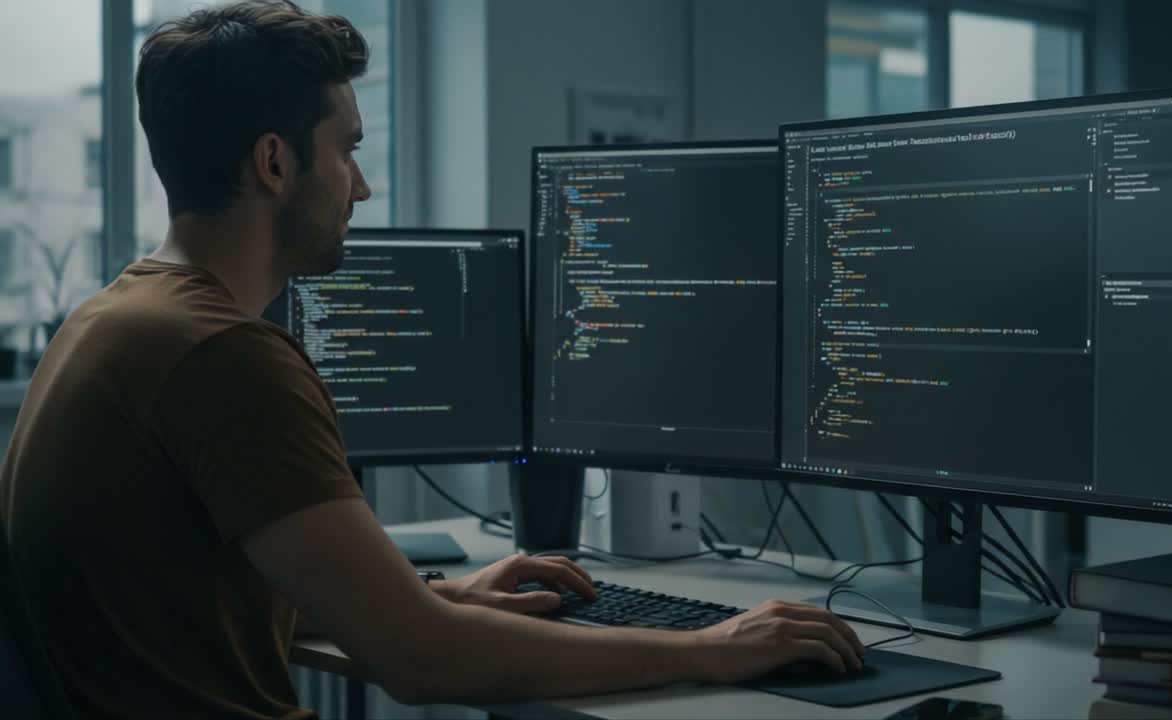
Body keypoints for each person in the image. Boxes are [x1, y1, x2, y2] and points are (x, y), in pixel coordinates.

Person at [0, 1, 864, 717]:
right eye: (349, 149)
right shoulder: (226, 356)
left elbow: (201, 600)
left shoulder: (115, 316)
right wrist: (712, 648)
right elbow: (420, 664)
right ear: (273, 162)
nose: (361, 186)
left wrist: (437, 599)